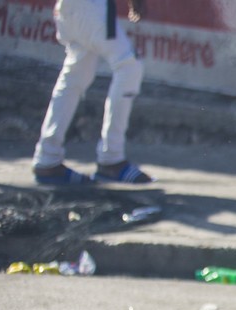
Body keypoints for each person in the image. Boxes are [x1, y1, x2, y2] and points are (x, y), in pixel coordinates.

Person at [31, 0, 153, 185]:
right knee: (129, 66)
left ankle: (47, 159)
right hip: (89, 8)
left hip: (70, 8)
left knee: (76, 74)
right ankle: (111, 159)